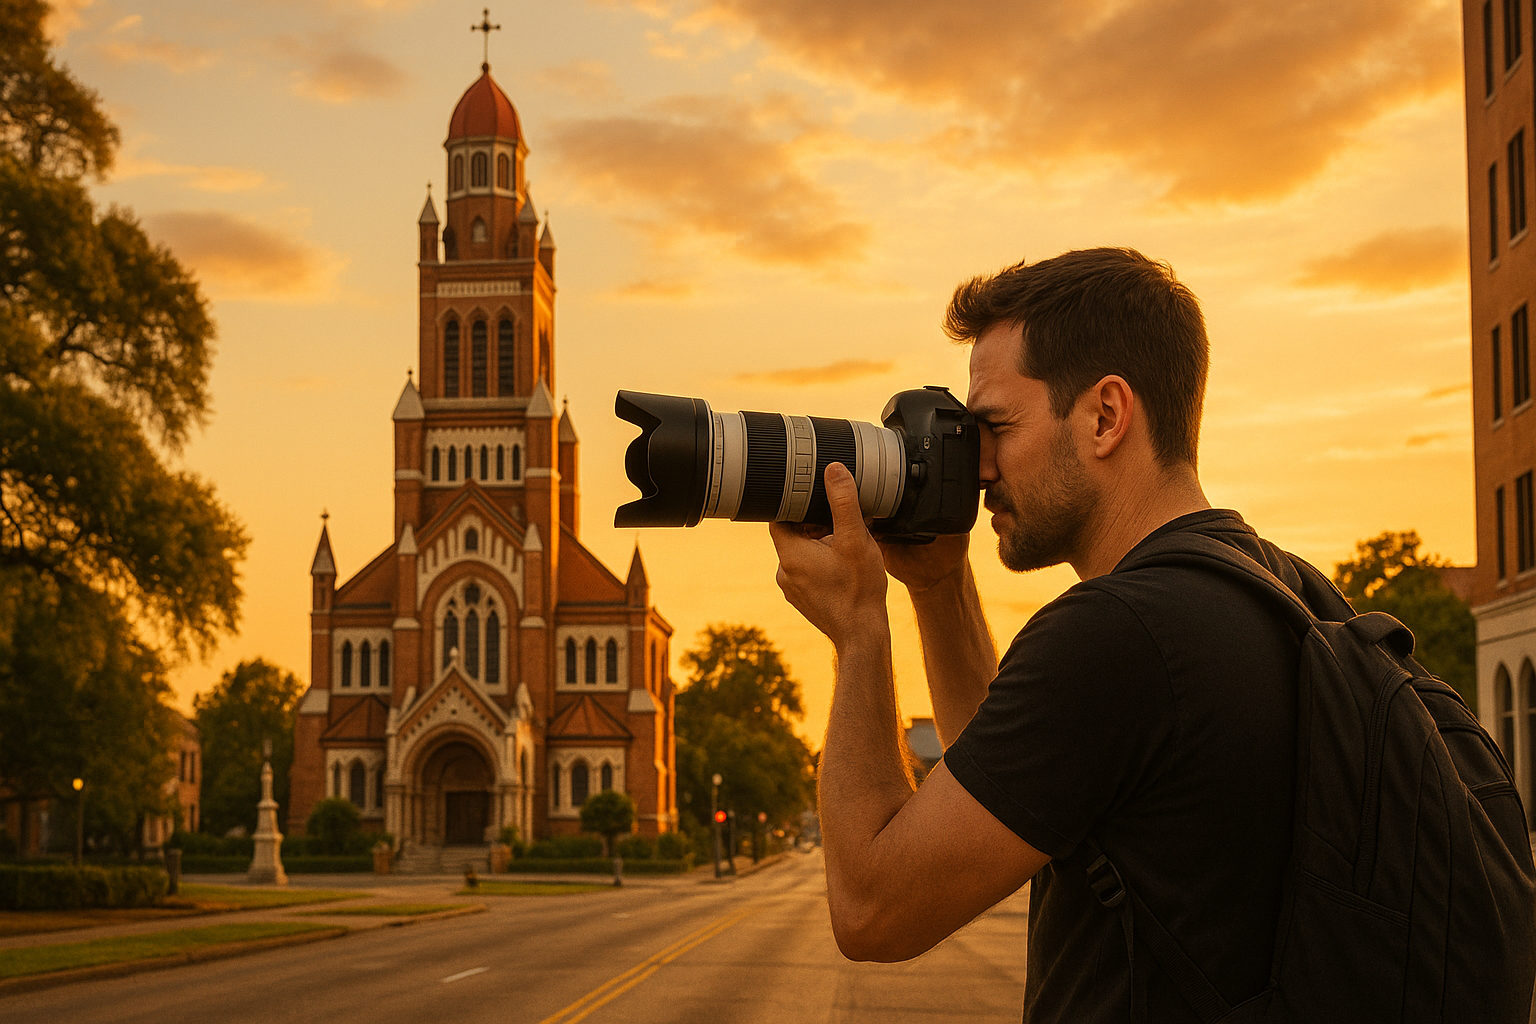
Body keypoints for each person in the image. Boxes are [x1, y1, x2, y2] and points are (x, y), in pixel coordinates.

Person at [770, 248, 1309, 1022]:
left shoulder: (1117, 636)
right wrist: (939, 583)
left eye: (993, 426)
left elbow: (871, 908)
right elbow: (1002, 784)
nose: (976, 465)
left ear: (1104, 416)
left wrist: (858, 630)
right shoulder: (1271, 591)